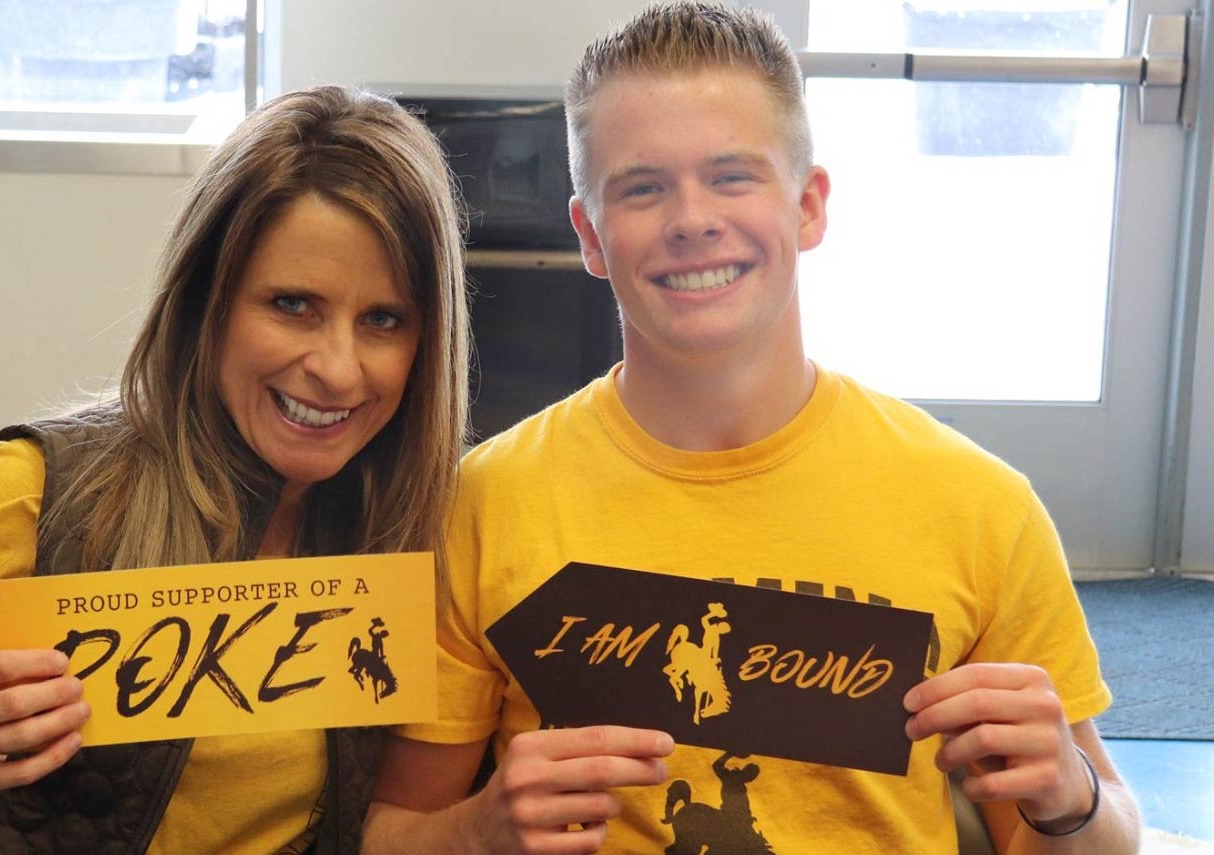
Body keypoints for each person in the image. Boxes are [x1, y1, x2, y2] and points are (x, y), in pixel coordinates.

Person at [363, 4, 1141, 854]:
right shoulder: (484, 501)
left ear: (807, 206)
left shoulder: (977, 507)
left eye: (732, 176)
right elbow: (392, 831)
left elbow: (1092, 837)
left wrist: (1070, 795)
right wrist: (478, 832)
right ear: (590, 234)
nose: (692, 217)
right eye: (643, 186)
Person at [0, 84, 470, 855]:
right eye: (292, 304)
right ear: (205, 302)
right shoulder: (27, 494)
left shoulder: (416, 527)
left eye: (383, 320)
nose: (337, 370)